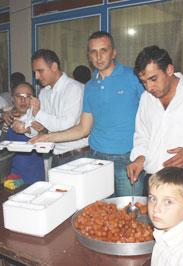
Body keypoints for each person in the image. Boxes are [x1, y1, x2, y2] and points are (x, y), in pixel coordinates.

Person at [31, 31, 145, 196]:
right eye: (93, 52)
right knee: (101, 214)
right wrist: (46, 137)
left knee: (129, 215)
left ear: (114, 52)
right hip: (96, 158)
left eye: (103, 50)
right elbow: (83, 129)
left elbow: (153, 114)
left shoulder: (134, 78)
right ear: (89, 56)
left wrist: (144, 155)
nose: (98, 56)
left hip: (128, 158)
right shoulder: (90, 86)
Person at [127, 45, 183, 241]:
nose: (149, 87)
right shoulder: (146, 99)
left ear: (169, 70)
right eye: (144, 82)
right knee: (153, 240)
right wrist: (140, 159)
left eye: (153, 78)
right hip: (154, 181)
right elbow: (142, 136)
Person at [31, 49, 89, 167]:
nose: (36, 76)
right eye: (35, 72)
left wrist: (38, 113)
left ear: (54, 67)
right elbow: (44, 127)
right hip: (56, 155)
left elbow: (66, 125)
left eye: (40, 71)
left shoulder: (74, 89)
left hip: (78, 156)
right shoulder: (44, 92)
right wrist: (27, 128)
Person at [0, 82, 45, 186]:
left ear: (33, 99)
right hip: (8, 170)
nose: (23, 100)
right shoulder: (7, 113)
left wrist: (35, 130)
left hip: (33, 173)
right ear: (12, 98)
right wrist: (1, 116)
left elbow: (46, 134)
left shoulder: (39, 114)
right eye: (19, 96)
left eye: (28, 96)